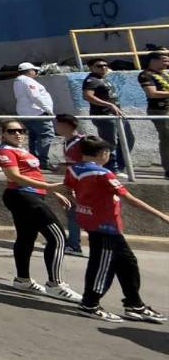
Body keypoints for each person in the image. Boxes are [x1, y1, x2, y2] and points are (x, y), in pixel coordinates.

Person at [64, 136, 168, 322]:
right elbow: (130, 199)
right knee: (102, 266)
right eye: (107, 153)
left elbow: (68, 189)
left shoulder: (73, 169)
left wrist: (80, 204)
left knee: (128, 262)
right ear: (102, 154)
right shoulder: (103, 174)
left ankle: (134, 304)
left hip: (94, 222)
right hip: (105, 226)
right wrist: (161, 216)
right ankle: (90, 304)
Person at [0, 120, 82, 301]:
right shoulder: (5, 151)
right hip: (22, 196)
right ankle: (55, 284)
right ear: (3, 134)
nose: (18, 134)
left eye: (21, 130)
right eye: (12, 131)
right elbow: (14, 176)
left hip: (31, 195)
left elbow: (34, 174)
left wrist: (52, 192)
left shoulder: (22, 151)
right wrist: (52, 188)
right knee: (57, 237)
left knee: (26, 237)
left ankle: (22, 280)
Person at [82, 59, 135, 176]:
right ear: (91, 68)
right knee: (110, 143)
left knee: (128, 139)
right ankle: (112, 168)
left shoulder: (102, 79)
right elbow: (87, 96)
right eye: (99, 66)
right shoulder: (92, 80)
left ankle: (120, 166)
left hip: (116, 115)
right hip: (104, 115)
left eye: (106, 65)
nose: (103, 67)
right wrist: (109, 104)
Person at [54, 114, 86, 256]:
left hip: (81, 184)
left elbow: (86, 162)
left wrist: (67, 166)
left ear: (66, 125)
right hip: (72, 182)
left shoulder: (82, 142)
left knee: (76, 213)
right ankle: (73, 242)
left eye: (57, 124)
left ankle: (74, 245)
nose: (55, 127)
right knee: (71, 213)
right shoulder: (67, 142)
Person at [136, 50, 169, 178]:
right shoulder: (145, 75)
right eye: (164, 60)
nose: (167, 62)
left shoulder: (163, 74)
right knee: (167, 139)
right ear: (154, 60)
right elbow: (152, 93)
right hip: (160, 111)